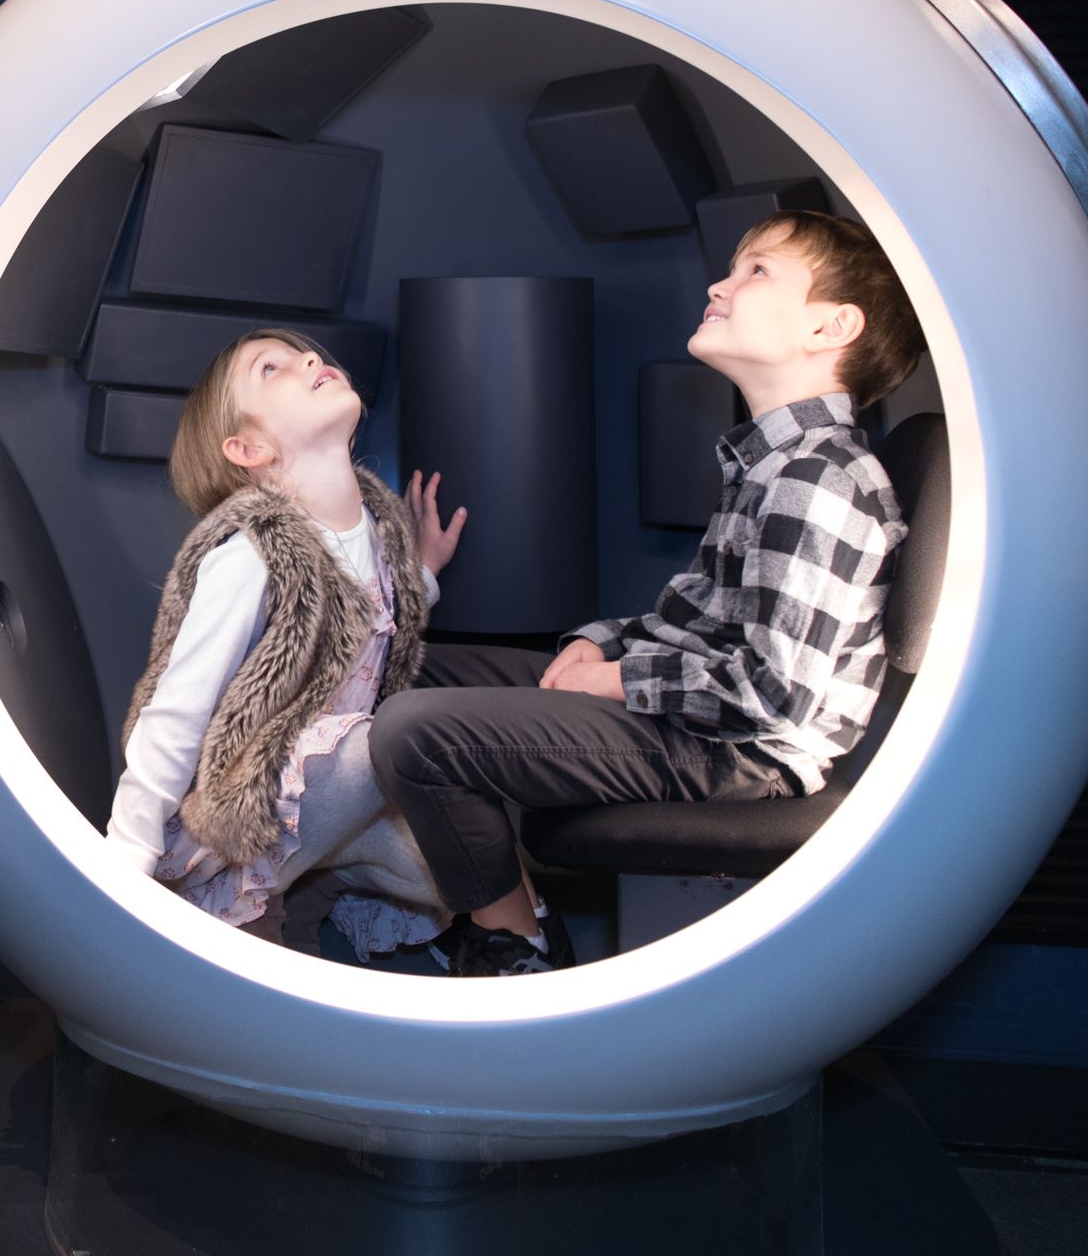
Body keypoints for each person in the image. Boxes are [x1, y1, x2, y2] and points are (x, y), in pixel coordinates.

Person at [371, 210, 921, 976]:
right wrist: (599, 641)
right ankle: (509, 909)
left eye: (756, 271)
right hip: (700, 709)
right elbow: (691, 618)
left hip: (743, 750)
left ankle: (517, 948)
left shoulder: (815, 481)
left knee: (413, 730)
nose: (719, 285)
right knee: (397, 668)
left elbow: (775, 698)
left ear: (832, 327)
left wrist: (619, 681)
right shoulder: (769, 462)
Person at [108, 330, 460, 959]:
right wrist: (125, 860)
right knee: (392, 741)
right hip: (257, 804)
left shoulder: (378, 539)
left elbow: (373, 619)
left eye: (310, 355)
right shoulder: (252, 558)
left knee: (454, 871)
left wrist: (423, 573)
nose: (309, 360)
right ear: (249, 447)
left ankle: (323, 885)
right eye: (271, 369)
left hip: (343, 798)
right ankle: (268, 910)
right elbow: (176, 711)